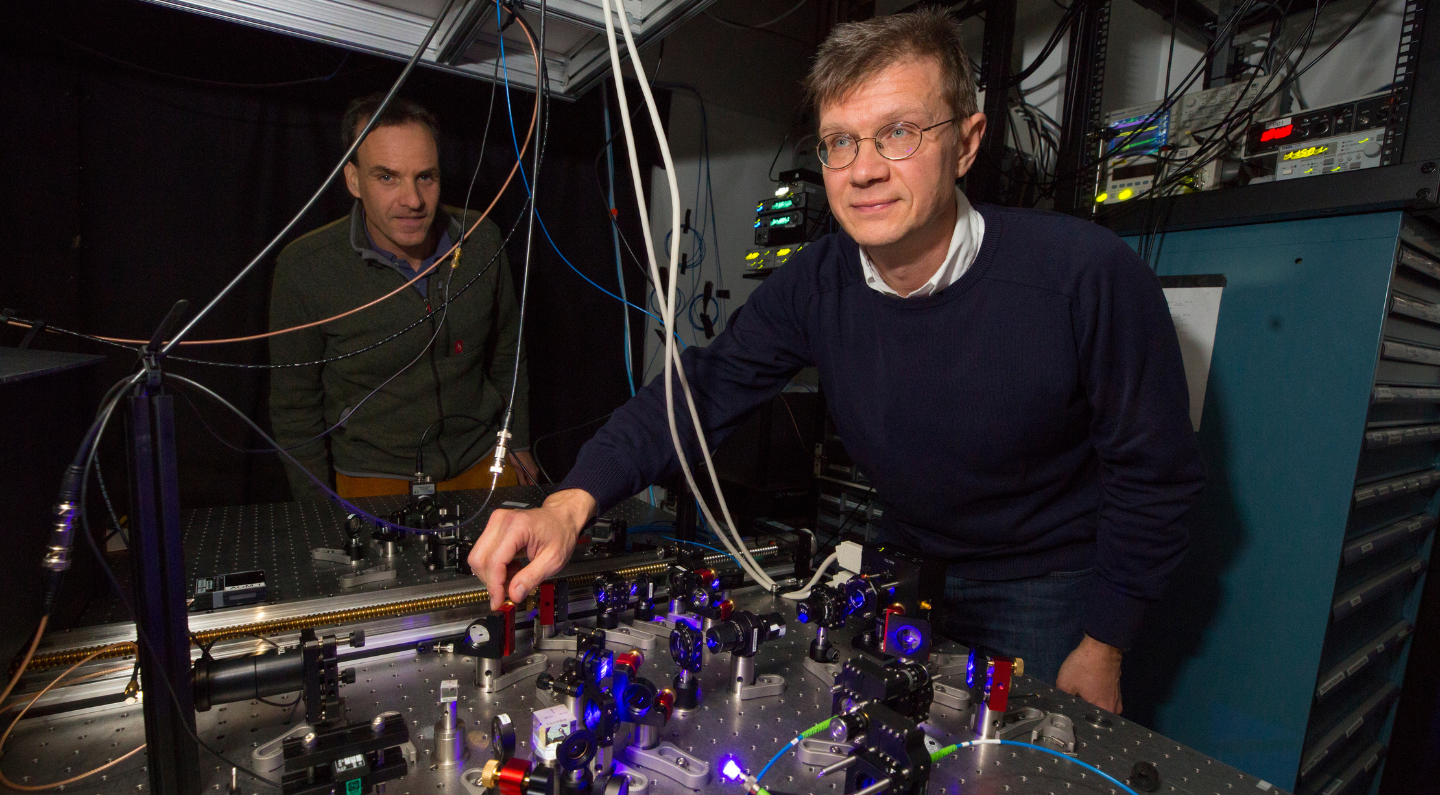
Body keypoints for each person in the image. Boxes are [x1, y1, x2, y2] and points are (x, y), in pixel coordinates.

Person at [467, 9, 1205, 712]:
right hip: (910, 563)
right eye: (840, 141)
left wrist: (1105, 642)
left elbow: (1156, 473)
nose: (864, 169)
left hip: (1047, 584)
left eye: (899, 133)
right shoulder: (816, 282)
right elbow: (705, 388)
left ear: (969, 142)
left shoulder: (1086, 276)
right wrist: (572, 499)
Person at [270, 94, 537, 500]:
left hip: (482, 465)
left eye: (425, 177)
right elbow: (295, 408)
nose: (412, 200)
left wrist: (517, 441)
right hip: (371, 481)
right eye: (387, 177)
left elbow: (508, 354)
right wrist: (316, 509)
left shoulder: (482, 240)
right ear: (354, 180)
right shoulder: (306, 266)